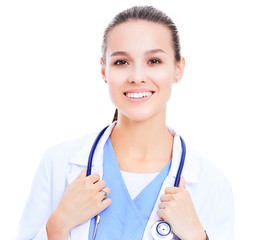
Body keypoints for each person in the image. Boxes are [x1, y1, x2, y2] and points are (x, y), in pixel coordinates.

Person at [16, 5, 234, 240]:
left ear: (178, 68)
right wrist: (57, 226)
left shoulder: (212, 183)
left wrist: (196, 236)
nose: (137, 76)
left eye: (154, 60)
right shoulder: (57, 164)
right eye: (121, 62)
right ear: (103, 70)